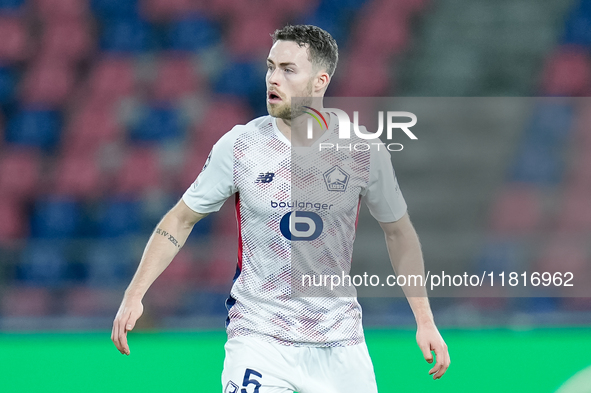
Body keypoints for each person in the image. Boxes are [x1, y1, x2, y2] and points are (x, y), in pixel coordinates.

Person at [112, 24, 450, 392]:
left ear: (320, 81)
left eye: (288, 70)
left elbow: (398, 232)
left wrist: (425, 320)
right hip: (259, 340)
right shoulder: (241, 145)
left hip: (339, 345)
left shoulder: (362, 150)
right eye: (271, 66)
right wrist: (134, 294)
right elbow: (180, 219)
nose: (273, 79)